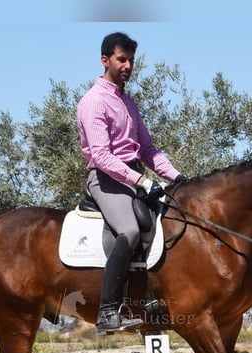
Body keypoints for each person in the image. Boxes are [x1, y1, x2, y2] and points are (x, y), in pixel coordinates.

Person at [76, 31, 187, 336]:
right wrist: (140, 180)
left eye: (131, 61)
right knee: (130, 229)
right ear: (105, 60)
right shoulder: (93, 101)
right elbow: (100, 155)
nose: (127, 66)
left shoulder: (128, 102)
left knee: (170, 221)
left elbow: (149, 150)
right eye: (121, 59)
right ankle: (109, 312)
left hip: (133, 177)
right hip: (106, 179)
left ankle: (150, 300)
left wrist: (177, 178)